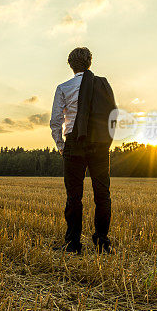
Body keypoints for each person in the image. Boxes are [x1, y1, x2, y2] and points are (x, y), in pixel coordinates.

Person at [49, 47, 117, 254]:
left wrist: (61, 146)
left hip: (74, 144)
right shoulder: (103, 84)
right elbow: (113, 115)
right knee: (102, 195)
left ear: (70, 65)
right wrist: (107, 142)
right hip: (100, 143)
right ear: (90, 63)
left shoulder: (63, 87)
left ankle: (73, 244)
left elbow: (56, 121)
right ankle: (101, 242)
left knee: (74, 196)